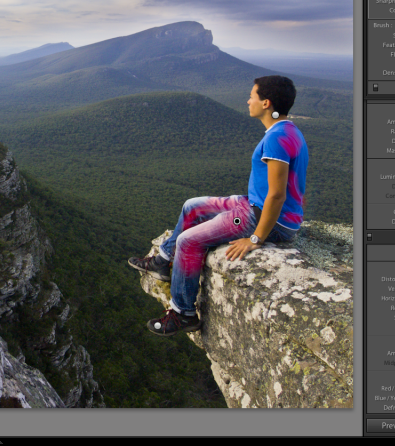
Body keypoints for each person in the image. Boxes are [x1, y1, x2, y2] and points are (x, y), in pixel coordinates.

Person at [127, 75, 309, 336]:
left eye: (252, 96)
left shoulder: (276, 139)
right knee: (193, 206)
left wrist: (256, 239)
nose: (248, 100)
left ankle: (183, 314)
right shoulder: (288, 130)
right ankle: (162, 261)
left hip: (262, 218)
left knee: (188, 242)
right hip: (254, 205)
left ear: (266, 103)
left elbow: (277, 195)